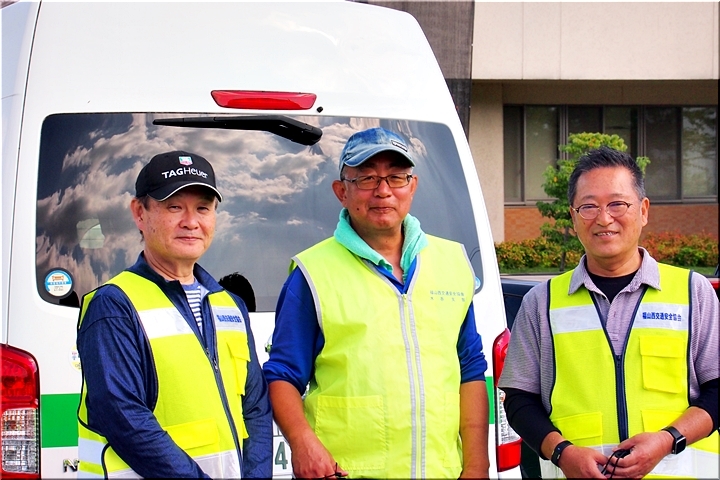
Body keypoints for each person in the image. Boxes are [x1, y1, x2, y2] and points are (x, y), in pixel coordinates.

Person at [263, 127, 490, 478]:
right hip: (344, 473)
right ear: (342, 191)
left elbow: (470, 370)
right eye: (367, 178)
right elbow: (282, 375)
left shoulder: (452, 263)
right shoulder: (313, 272)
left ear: (412, 187)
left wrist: (477, 466)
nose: (383, 190)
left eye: (396, 177)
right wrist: (303, 443)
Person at [498, 146, 719, 479]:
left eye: (617, 204)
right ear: (573, 218)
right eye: (589, 207)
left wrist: (667, 440)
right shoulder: (541, 302)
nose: (603, 219)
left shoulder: (692, 292)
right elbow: (518, 399)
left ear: (643, 210)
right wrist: (562, 453)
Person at [76, 150, 272, 478]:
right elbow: (124, 418)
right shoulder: (114, 305)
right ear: (139, 213)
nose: (191, 222)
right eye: (174, 207)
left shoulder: (230, 305)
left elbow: (256, 408)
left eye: (203, 208)